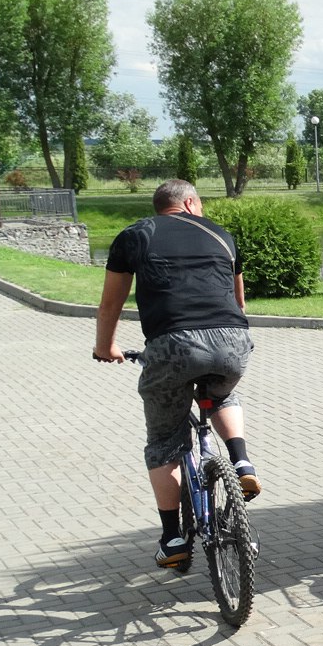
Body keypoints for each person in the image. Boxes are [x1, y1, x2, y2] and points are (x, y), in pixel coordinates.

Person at [93, 179, 260, 572]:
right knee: (220, 395)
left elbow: (110, 305)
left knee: (164, 441)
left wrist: (106, 348)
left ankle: (172, 539)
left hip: (173, 345)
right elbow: (239, 302)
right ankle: (241, 463)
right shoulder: (221, 235)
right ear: (189, 203)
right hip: (233, 340)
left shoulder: (134, 235)